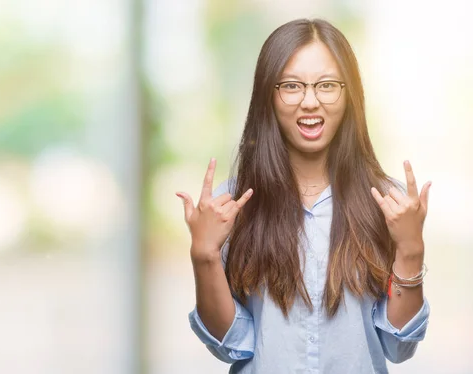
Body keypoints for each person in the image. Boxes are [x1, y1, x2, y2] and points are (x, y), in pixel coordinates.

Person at [175, 18, 431, 374]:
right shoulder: (231, 205)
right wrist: (204, 255)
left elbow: (398, 346)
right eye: (292, 86)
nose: (310, 102)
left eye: (327, 85)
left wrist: (411, 249)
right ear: (269, 95)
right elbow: (231, 346)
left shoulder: (388, 203)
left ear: (350, 94)